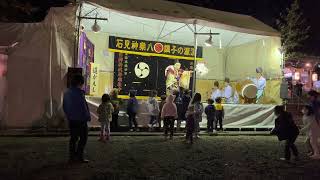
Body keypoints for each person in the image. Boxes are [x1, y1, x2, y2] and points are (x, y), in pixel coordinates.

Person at [63, 74, 90, 163]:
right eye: (82, 83)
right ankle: (79, 156)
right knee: (83, 138)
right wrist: (87, 117)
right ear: (79, 83)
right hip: (81, 120)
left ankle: (72, 157)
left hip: (72, 120)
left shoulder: (67, 92)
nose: (82, 85)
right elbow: (83, 107)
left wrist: (69, 116)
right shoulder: (79, 93)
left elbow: (65, 106)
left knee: (73, 139)